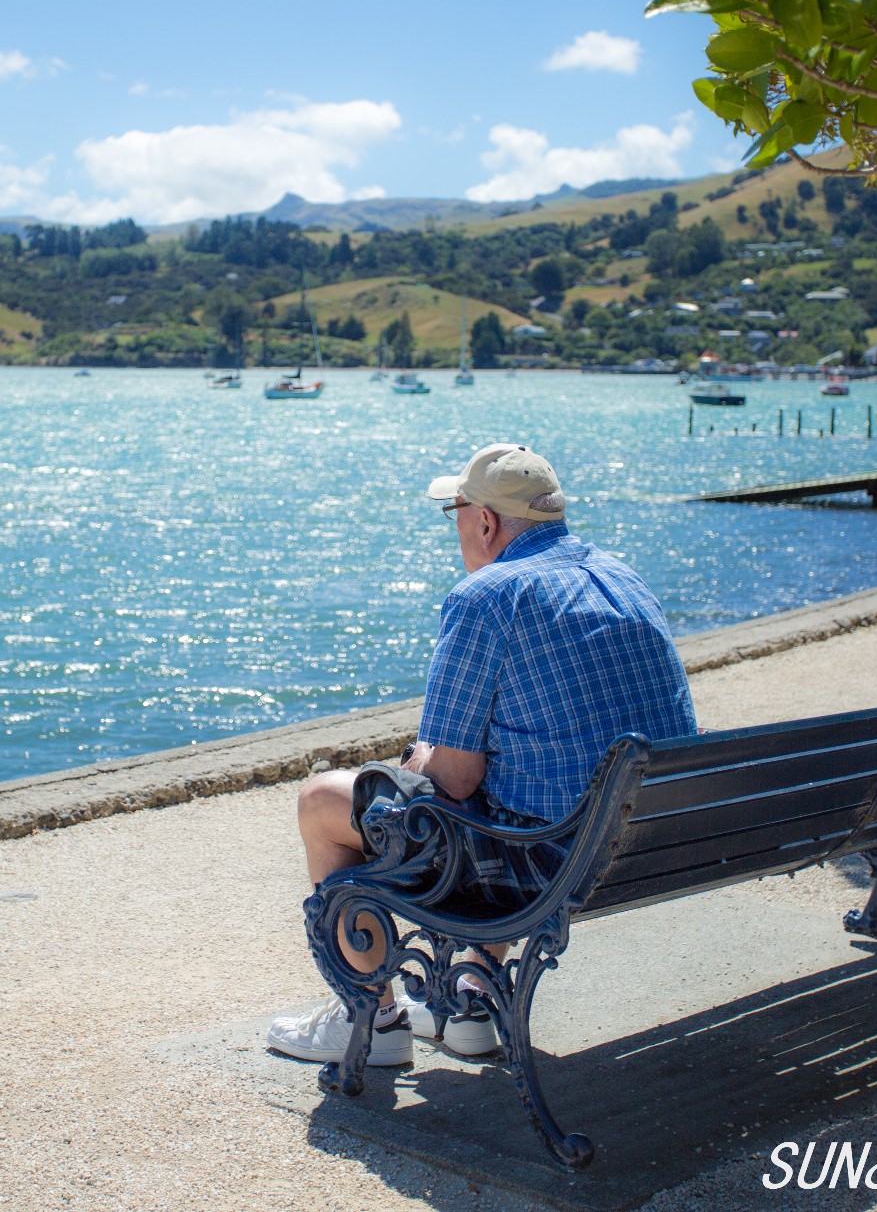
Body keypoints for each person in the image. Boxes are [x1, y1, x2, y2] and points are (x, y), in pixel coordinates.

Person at [266, 443, 698, 1067]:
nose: (456, 526)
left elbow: (454, 780)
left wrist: (418, 761)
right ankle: (469, 999)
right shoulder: (624, 578)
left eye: (456, 511)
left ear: (486, 521)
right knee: (522, 778)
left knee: (324, 801)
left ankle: (373, 1019)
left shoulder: (486, 597)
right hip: (655, 841)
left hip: (548, 866)